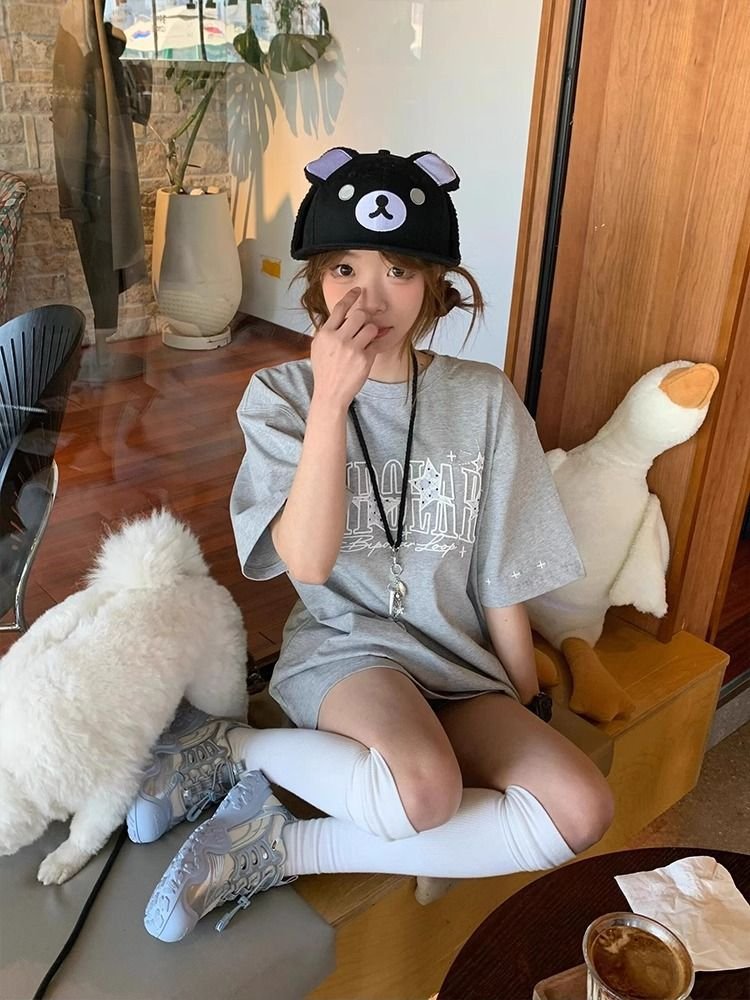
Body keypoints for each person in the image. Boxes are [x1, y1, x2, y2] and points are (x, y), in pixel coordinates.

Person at [133, 148, 614, 943]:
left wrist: (526, 701)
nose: (368, 297)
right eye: (344, 269)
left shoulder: (484, 399)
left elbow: (501, 570)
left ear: (432, 284)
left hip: (457, 660)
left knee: (581, 808)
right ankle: (232, 749)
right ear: (317, 281)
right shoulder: (280, 396)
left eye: (397, 271)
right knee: (424, 793)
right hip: (347, 648)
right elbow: (309, 562)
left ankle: (275, 849)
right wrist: (331, 402)